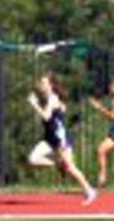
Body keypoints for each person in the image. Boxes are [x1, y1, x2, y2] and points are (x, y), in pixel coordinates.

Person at [28, 73, 97, 206]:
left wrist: (34, 105)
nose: (41, 85)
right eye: (41, 83)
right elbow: (59, 111)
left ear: (50, 85)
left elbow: (47, 117)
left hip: (60, 138)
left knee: (71, 168)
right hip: (49, 138)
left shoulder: (52, 98)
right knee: (32, 159)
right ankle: (57, 165)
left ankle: (89, 191)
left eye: (44, 83)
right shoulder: (49, 98)